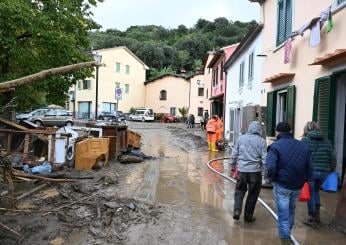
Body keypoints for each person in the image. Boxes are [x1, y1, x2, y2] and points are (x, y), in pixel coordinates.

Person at [267, 122, 313, 245]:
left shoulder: (275, 146)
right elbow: (309, 167)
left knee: (283, 214)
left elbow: (270, 167)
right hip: (297, 185)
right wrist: (305, 180)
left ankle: (286, 240)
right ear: (290, 131)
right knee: (291, 210)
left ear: (277, 132)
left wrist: (272, 179)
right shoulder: (303, 146)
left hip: (282, 184)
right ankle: (288, 232)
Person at [230, 121, 267, 222]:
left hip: (242, 171)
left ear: (249, 128)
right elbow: (265, 159)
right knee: (253, 194)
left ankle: (237, 210)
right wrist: (266, 174)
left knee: (239, 191)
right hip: (255, 172)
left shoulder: (241, 138)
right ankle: (248, 216)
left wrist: (233, 167)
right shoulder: (262, 141)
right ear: (259, 130)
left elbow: (234, 154)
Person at [301, 121, 336, 227]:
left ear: (306, 129)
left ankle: (312, 218)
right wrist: (332, 169)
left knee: (310, 193)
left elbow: (301, 156)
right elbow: (332, 157)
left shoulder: (305, 140)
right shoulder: (326, 141)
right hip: (324, 172)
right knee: (315, 191)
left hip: (311, 172)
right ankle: (317, 216)